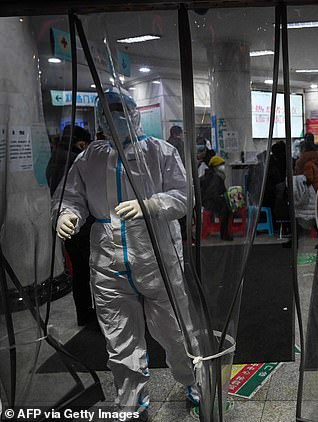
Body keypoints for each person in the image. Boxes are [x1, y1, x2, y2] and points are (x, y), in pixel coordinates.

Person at [52, 90, 199, 420]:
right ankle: (133, 401)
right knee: (120, 341)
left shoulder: (159, 151)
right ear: (99, 118)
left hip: (157, 258)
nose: (114, 116)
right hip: (109, 262)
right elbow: (70, 196)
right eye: (106, 111)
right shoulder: (89, 157)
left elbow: (184, 195)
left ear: (134, 113)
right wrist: (65, 215)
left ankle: (195, 383)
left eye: (120, 109)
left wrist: (151, 205)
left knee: (177, 333)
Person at [46, 124, 97, 328]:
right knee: (91, 271)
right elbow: (76, 195)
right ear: (80, 143)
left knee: (79, 271)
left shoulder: (55, 157)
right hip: (79, 225)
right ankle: (90, 314)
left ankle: (83, 313)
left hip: (66, 223)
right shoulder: (74, 160)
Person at [201, 155, 233, 241]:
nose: (222, 167)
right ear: (215, 167)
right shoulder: (216, 177)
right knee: (227, 210)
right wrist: (222, 200)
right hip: (210, 202)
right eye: (220, 165)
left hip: (208, 201)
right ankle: (224, 234)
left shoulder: (212, 175)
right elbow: (212, 193)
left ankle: (225, 233)